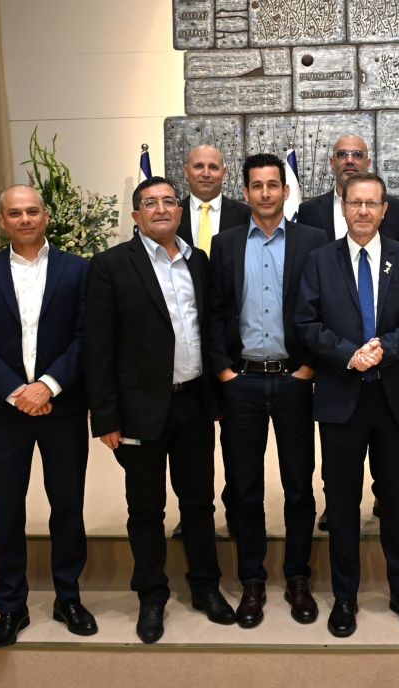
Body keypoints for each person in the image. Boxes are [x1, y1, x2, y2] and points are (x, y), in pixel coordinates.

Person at [84, 176, 236, 644]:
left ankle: (205, 587)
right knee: (146, 508)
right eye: (150, 203)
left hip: (193, 404)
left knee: (199, 503)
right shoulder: (111, 265)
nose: (162, 208)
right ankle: (151, 596)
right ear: (136, 216)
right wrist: (105, 417)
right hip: (139, 411)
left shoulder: (198, 261)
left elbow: (210, 328)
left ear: (180, 210)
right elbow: (98, 347)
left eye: (169, 200)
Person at [295, 172, 399, 638]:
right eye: (354, 203)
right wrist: (347, 354)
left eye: (371, 203)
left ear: (384, 210)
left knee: (396, 500)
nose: (362, 211)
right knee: (341, 502)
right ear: (343, 207)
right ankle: (345, 596)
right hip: (341, 397)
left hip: (394, 398)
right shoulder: (320, 261)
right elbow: (306, 322)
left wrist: (386, 348)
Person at [0, 185, 96, 647]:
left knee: (67, 505)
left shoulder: (78, 270)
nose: (24, 219)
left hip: (63, 407)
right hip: (3, 412)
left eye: (32, 211)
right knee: (7, 510)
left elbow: (87, 337)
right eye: (14, 213)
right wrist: (18, 392)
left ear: (46, 216)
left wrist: (48, 386)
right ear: (2, 221)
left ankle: (68, 597)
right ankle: (11, 607)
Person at [207, 154, 328, 628]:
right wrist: (223, 372)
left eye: (272, 185)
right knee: (245, 488)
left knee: (299, 485)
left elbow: (324, 308)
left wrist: (309, 367)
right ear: (245, 192)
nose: (264, 193)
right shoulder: (225, 243)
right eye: (256, 185)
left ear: (284, 190)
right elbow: (215, 311)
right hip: (242, 382)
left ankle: (298, 577)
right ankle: (252, 580)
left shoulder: (312, 241)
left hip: (294, 380)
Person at [171, 145, 249, 541]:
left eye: (213, 167)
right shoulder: (169, 214)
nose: (205, 173)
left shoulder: (245, 215)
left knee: (236, 442)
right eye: (198, 166)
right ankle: (193, 514)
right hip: (183, 351)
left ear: (225, 172)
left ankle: (237, 511)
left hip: (232, 350)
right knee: (191, 446)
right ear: (186, 171)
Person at [297, 133, 399, 244]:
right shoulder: (309, 210)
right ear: (332, 162)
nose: (349, 161)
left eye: (357, 154)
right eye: (342, 154)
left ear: (368, 163)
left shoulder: (395, 208)